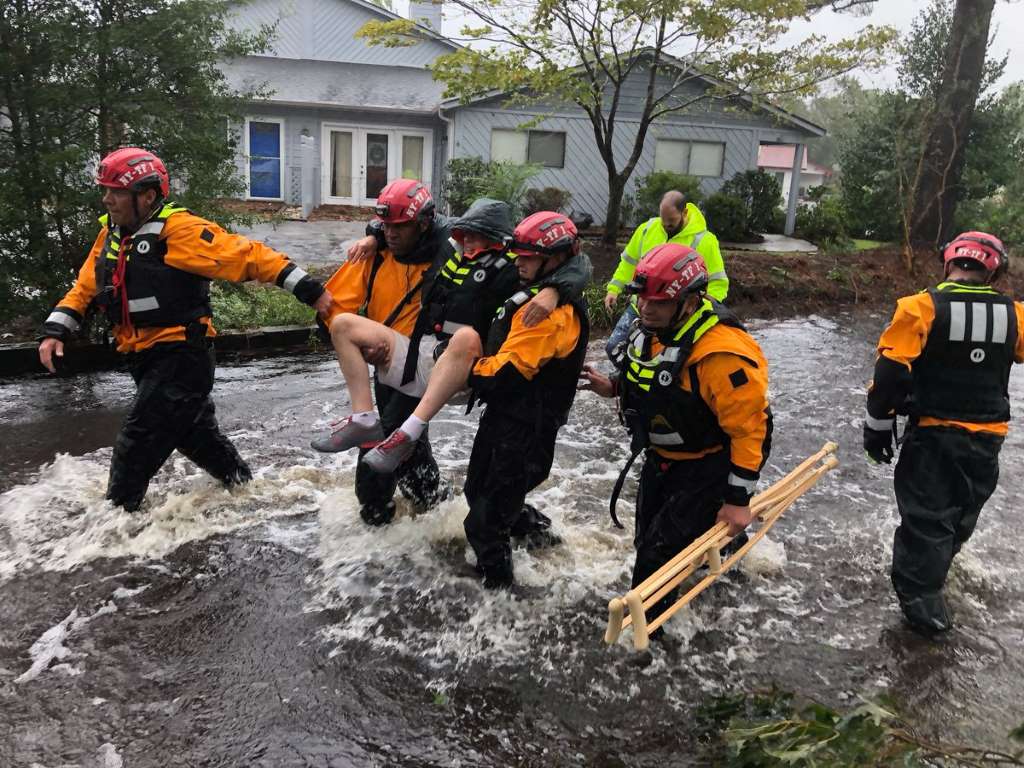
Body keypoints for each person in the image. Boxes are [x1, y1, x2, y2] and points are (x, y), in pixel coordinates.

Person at [37, 147, 333, 511]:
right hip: (142, 357)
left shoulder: (181, 231)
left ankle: (113, 527)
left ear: (146, 196)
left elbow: (250, 257)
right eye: (106, 189)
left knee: (136, 442)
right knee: (197, 439)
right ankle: (251, 496)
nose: (107, 198)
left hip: (180, 358)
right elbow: (86, 287)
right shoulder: (111, 235)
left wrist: (312, 292)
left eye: (115, 191)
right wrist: (56, 330)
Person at [367, 212, 590, 588]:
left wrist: (459, 368)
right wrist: (375, 235)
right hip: (505, 421)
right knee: (479, 496)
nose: (519, 263)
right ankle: (546, 543)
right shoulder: (537, 289)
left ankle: (502, 598)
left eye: (529, 257)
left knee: (483, 522)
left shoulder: (551, 316)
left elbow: (507, 373)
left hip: (527, 430)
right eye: (518, 255)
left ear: (555, 259)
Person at [581, 243, 771, 631]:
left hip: (710, 462)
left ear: (689, 300)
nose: (647, 309)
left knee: (653, 559)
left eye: (659, 302)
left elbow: (751, 430)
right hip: (665, 458)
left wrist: (737, 501)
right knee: (645, 540)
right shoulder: (652, 329)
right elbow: (659, 383)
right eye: (643, 300)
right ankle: (723, 557)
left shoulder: (722, 353)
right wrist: (615, 387)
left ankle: (649, 640)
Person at [864, 231, 1023, 636]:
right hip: (987, 440)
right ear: (995, 269)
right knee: (958, 518)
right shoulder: (1016, 314)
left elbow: (891, 371)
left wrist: (878, 423)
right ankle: (930, 586)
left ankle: (925, 619)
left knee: (926, 520)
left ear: (948, 261)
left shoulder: (920, 307)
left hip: (934, 435)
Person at [604, 190, 728, 360]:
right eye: (663, 220)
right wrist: (614, 289)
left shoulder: (705, 241)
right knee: (614, 348)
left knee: (664, 360)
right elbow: (628, 262)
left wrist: (700, 307)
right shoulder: (647, 230)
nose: (665, 225)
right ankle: (628, 381)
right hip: (640, 307)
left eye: (671, 222)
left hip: (675, 315)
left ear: (684, 213)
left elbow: (717, 281)